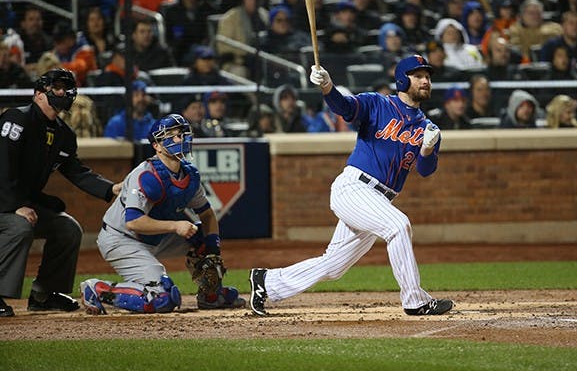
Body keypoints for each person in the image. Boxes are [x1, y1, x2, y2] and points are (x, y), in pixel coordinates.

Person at [248, 55, 453, 317]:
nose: (425, 81)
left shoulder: (428, 127)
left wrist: (427, 148)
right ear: (402, 79)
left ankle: (267, 282)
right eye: (418, 75)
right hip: (354, 188)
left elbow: (426, 171)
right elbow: (344, 107)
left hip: (379, 200)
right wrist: (327, 87)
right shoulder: (377, 103)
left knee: (334, 266)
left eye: (428, 76)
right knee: (398, 225)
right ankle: (415, 301)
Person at [79, 114, 246, 314]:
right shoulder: (147, 175)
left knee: (202, 239)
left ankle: (211, 295)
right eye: (172, 136)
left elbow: (207, 214)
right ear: (157, 145)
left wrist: (212, 248)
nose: (180, 140)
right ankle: (97, 289)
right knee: (162, 298)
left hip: (155, 236)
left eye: (182, 135)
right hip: (122, 239)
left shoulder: (190, 175)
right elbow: (133, 222)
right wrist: (175, 226)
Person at [0, 69, 119, 318]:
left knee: (68, 228)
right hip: (5, 202)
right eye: (57, 87)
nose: (64, 92)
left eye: (68, 87)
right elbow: (2, 165)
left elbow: (76, 171)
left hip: (19, 203)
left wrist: (110, 188)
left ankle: (45, 295)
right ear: (39, 93)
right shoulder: (16, 118)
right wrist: (16, 205)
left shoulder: (64, 134)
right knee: (20, 226)